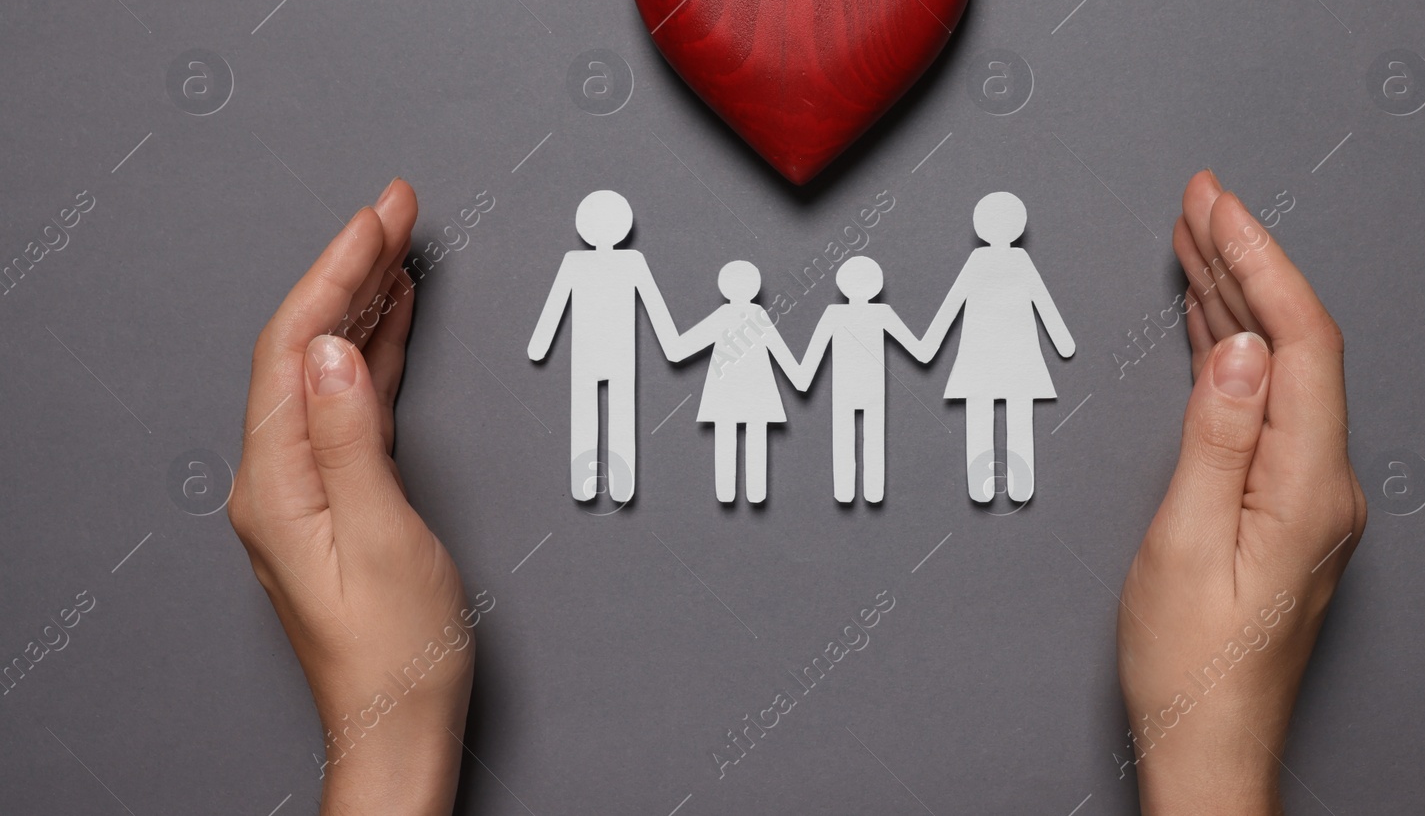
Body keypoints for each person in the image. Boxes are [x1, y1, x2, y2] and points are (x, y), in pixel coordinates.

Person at [229, 170, 1365, 814]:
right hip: (728, 388)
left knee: (976, 437)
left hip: (938, 379)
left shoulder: (985, 266)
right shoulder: (611, 268)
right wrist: (1211, 755)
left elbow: (923, 332)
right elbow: (595, 326)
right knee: (605, 427)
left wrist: (384, 747)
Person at [918, 191, 1075, 503]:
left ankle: (988, 486)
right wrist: (1061, 340)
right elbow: (1041, 301)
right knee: (1016, 419)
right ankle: (1014, 486)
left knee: (981, 417)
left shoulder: (989, 261)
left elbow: (953, 303)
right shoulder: (1013, 260)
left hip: (984, 359)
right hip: (1015, 359)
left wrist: (930, 342)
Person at [526, 190, 679, 503]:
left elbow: (555, 306)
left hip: (593, 355)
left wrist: (540, 345)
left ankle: (592, 485)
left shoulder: (581, 262)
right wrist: (671, 343)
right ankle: (616, 486)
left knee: (589, 414)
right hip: (616, 355)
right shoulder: (627, 261)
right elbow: (654, 308)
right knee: (619, 414)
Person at [791, 255, 930, 503]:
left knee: (845, 438)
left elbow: (811, 359)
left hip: (847, 390)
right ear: (876, 285)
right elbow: (919, 350)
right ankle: (872, 492)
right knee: (873, 438)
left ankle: (846, 492)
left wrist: (799, 375)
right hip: (871, 389)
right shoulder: (880, 313)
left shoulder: (835, 314)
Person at [668, 260, 804, 504]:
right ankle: (755, 493)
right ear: (755, 287)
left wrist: (666, 333)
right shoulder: (758, 315)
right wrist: (799, 378)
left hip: (725, 392)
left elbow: (679, 350)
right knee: (756, 437)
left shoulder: (726, 315)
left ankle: (727, 493)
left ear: (724, 287)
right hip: (757, 391)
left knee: (726, 436)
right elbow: (781, 352)